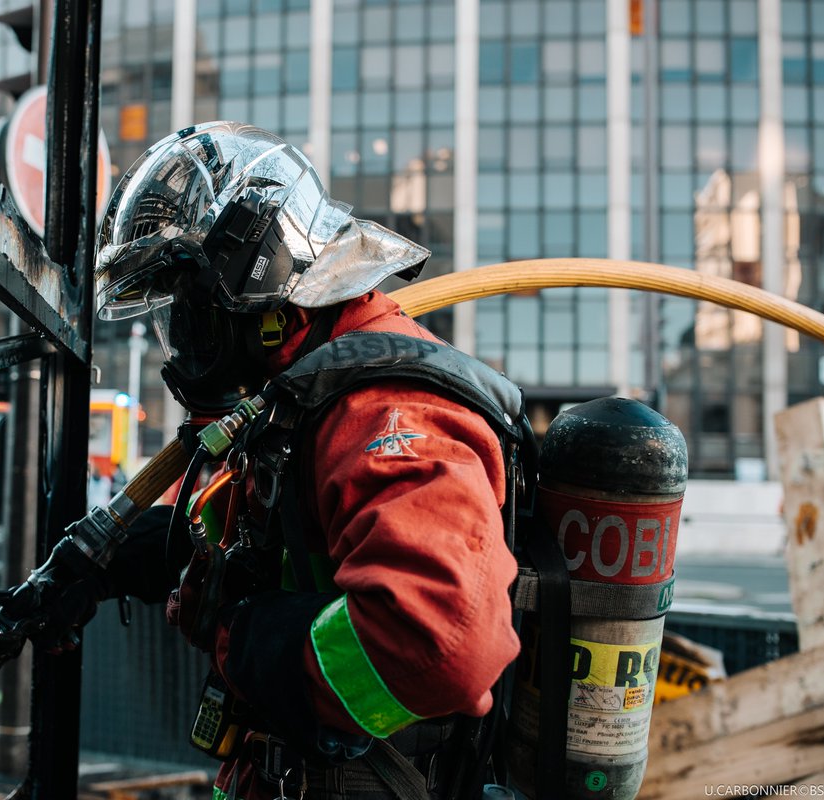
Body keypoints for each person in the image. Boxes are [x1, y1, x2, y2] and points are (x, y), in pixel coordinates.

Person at [50, 122, 527, 800]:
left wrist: (250, 642)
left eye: (187, 309)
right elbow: (294, 556)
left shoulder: (385, 404)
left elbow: (443, 640)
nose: (180, 343)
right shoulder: (308, 395)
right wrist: (164, 556)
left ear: (257, 270)